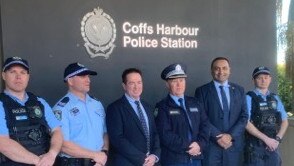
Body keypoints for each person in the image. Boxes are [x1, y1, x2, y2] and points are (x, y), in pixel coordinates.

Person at [0, 56, 63, 166]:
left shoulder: (40, 102)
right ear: (4, 75)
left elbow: (57, 131)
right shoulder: (1, 103)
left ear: (28, 77)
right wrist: (39, 161)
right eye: (12, 72)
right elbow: (3, 143)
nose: (18, 76)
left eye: (23, 72)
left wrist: (52, 154)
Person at [194, 57, 248, 166]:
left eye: (224, 68)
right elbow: (201, 117)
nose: (221, 72)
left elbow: (244, 116)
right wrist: (218, 136)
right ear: (211, 71)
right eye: (217, 68)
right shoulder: (202, 91)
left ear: (229, 70)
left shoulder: (239, 90)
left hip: (233, 147)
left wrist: (230, 136)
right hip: (211, 147)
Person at [53, 62, 108, 166]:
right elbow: (62, 144)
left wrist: (104, 153)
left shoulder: (97, 104)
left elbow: (105, 132)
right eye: (83, 76)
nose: (88, 80)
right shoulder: (61, 109)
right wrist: (94, 155)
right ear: (70, 81)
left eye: (88, 76)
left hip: (100, 163)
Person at [155, 63, 210, 166]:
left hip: (196, 158)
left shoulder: (195, 103)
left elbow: (205, 126)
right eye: (174, 81)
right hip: (174, 160)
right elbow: (165, 134)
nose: (179, 84)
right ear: (167, 84)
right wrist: (189, 146)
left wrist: (200, 144)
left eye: (181, 80)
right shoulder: (162, 107)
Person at [106, 68, 160, 166]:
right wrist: (142, 159)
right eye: (132, 83)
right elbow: (117, 139)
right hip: (127, 163)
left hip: (151, 162)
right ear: (124, 86)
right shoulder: (114, 108)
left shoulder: (147, 107)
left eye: (139, 82)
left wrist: (154, 155)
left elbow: (155, 133)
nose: (136, 87)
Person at [244, 66, 288, 166]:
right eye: (259, 78)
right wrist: (266, 140)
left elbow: (285, 121)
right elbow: (246, 122)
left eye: (266, 77)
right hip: (255, 146)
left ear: (270, 79)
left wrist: (277, 139)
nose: (263, 80)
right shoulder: (248, 97)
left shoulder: (275, 98)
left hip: (273, 144)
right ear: (253, 80)